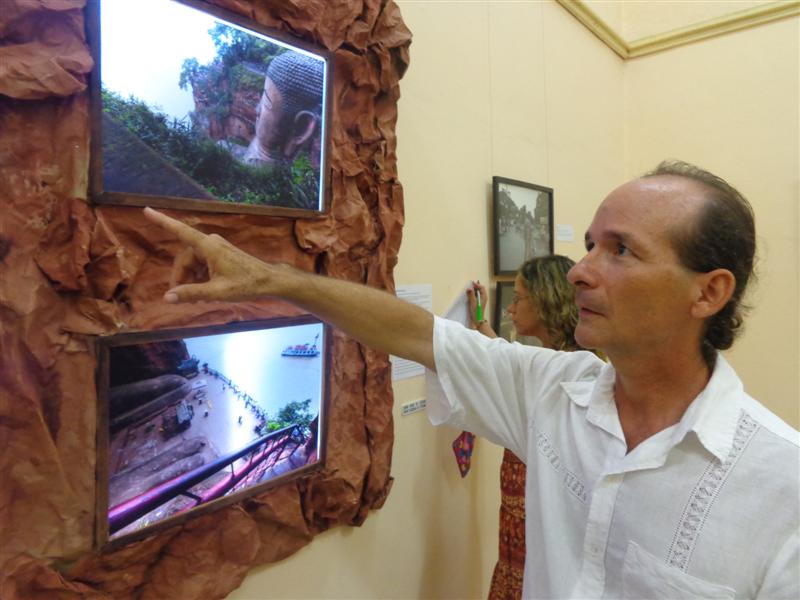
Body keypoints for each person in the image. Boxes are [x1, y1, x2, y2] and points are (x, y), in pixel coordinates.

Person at [143, 159, 799, 599]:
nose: (580, 271)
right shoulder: (552, 391)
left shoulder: (782, 488)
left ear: (708, 292)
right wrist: (273, 280)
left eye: (621, 250)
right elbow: (414, 333)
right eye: (591, 244)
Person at [466, 255, 587, 600]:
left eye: (519, 298)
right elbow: (504, 358)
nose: (510, 308)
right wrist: (479, 321)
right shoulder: (551, 362)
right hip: (520, 522)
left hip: (543, 526)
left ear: (546, 299)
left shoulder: (574, 372)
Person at [243, 51, 323, 167]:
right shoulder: (258, 144)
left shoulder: (280, 172)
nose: (257, 110)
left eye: (266, 104)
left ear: (302, 129)